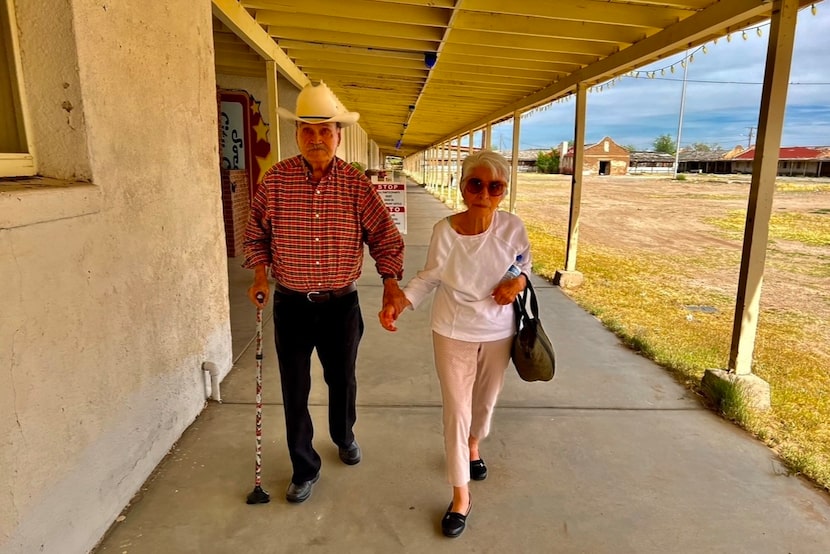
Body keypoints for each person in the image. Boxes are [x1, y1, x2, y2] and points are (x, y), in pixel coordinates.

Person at [243, 81, 407, 504]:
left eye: (325, 131)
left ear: (339, 135)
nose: (316, 139)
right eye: (307, 131)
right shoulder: (276, 181)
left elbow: (385, 238)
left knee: (342, 379)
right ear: (297, 134)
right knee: (294, 387)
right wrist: (260, 276)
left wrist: (390, 284)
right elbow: (255, 235)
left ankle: (344, 434)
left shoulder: (355, 184)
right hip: (292, 303)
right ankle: (304, 466)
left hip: (341, 305)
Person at [379, 150, 531, 538]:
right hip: (452, 330)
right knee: (457, 411)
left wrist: (517, 282)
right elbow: (430, 276)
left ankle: (475, 446)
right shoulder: (445, 231)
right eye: (475, 183)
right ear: (463, 187)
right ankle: (461, 494)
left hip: (498, 331)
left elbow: (523, 265)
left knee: (484, 404)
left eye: (494, 187)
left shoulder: (513, 228)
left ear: (503, 192)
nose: (484, 192)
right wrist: (403, 301)